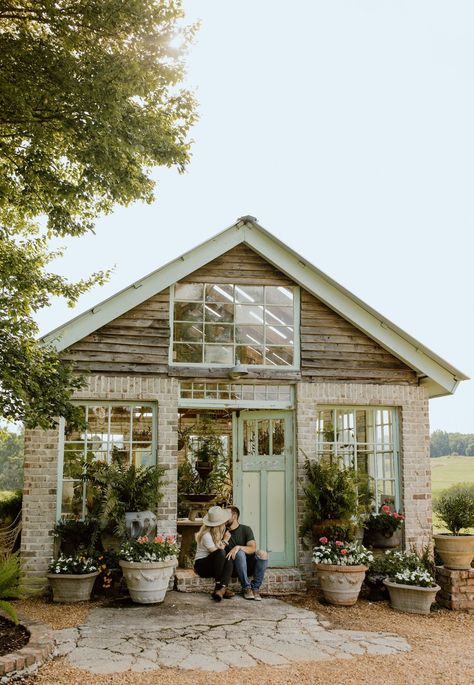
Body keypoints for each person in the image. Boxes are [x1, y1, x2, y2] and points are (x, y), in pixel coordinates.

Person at [225, 506, 268, 601]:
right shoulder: (222, 531)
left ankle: (255, 588)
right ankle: (246, 588)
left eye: (226, 515)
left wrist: (238, 547)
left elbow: (252, 548)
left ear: (234, 516)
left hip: (248, 565)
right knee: (239, 553)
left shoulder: (246, 529)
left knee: (263, 553)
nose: (223, 518)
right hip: (232, 567)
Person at [193, 505, 234, 602]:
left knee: (229, 558)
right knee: (221, 553)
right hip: (201, 566)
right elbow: (217, 553)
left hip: (213, 565)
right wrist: (225, 540)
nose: (225, 523)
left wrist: (223, 541)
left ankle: (222, 589)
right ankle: (219, 587)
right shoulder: (206, 535)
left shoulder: (216, 533)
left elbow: (220, 553)